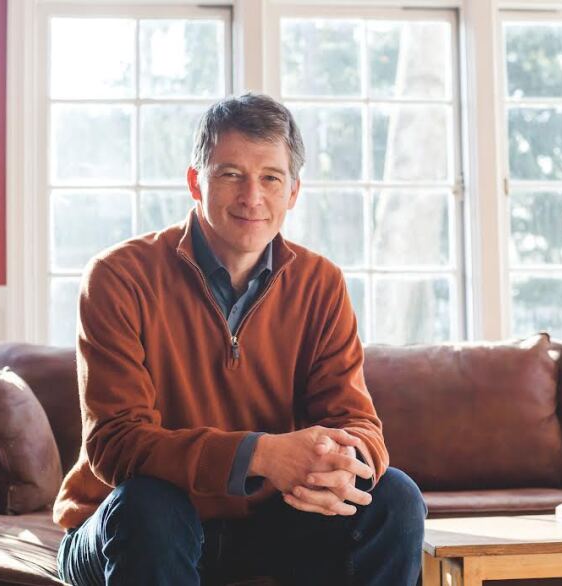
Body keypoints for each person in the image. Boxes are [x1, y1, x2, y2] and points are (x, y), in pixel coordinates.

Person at [52, 93, 427, 586]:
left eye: (271, 178)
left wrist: (346, 462)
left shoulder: (321, 283)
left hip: (266, 526)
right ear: (195, 182)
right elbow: (116, 444)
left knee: (393, 497)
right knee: (150, 505)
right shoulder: (118, 276)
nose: (253, 197)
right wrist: (263, 455)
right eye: (231, 174)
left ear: (293, 191)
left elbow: (357, 422)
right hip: (126, 524)